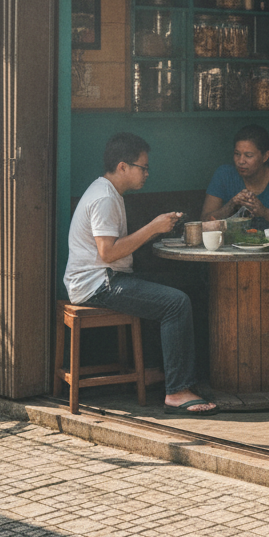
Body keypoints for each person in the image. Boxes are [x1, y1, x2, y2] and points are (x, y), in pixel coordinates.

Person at [64, 132, 217, 415]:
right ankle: (177, 391)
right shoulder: (105, 199)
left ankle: (158, 372)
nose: (147, 173)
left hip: (107, 278)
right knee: (175, 302)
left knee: (185, 287)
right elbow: (107, 254)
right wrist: (153, 228)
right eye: (143, 167)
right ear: (123, 166)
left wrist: (157, 229)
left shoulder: (109, 192)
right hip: (98, 283)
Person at [201, 124, 269, 230]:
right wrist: (231, 205)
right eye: (237, 154)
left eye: (248, 155)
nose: (241, 161)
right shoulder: (224, 174)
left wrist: (264, 212)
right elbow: (204, 221)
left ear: (265, 156)